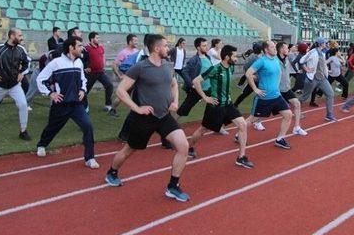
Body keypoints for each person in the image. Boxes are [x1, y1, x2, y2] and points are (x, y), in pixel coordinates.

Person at [105, 34, 191, 202]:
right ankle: (112, 172)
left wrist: (175, 101)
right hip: (144, 118)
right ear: (156, 48)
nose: (168, 49)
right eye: (166, 46)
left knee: (183, 146)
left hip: (164, 116)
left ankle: (173, 186)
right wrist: (137, 108)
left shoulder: (168, 65)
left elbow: (174, 84)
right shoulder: (140, 67)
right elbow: (121, 90)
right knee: (129, 149)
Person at [187, 45, 254, 168]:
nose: (236, 58)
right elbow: (196, 81)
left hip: (228, 105)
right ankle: (189, 147)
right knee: (203, 130)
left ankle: (241, 157)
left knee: (243, 125)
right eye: (234, 56)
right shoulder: (215, 69)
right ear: (227, 57)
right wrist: (205, 97)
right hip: (215, 106)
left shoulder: (230, 68)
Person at [35, 36, 98, 168]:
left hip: (76, 104)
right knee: (52, 128)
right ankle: (42, 145)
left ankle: (90, 158)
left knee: (88, 126)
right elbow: (41, 79)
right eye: (79, 46)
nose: (82, 48)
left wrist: (82, 90)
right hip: (61, 104)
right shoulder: (56, 63)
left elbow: (83, 80)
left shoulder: (79, 62)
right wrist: (50, 93)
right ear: (71, 47)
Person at [245, 40, 294, 150]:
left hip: (276, 96)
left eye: (275, 47)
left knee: (288, 114)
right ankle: (239, 135)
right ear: (266, 49)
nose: (275, 49)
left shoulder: (276, 59)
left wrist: (276, 86)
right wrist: (255, 89)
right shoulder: (261, 61)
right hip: (264, 97)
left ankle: (280, 139)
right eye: (272, 47)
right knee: (252, 119)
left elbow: (278, 74)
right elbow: (248, 73)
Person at [299, 38, 337, 122]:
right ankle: (295, 109)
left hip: (322, 78)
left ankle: (329, 115)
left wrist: (327, 71)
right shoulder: (312, 52)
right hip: (312, 79)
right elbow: (301, 61)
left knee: (330, 94)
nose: (326, 44)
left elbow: (322, 65)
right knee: (304, 97)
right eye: (325, 43)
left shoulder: (323, 53)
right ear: (320, 44)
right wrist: (307, 69)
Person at [277, 41, 308, 136]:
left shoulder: (287, 57)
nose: (288, 49)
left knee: (297, 104)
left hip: (286, 88)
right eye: (286, 48)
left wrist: (298, 70)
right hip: (276, 90)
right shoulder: (274, 60)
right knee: (262, 112)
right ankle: (252, 123)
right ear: (281, 49)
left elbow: (297, 58)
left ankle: (297, 127)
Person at [85, 32, 114, 111]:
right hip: (90, 74)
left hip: (100, 72)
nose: (99, 39)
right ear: (92, 39)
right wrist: (85, 68)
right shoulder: (86, 48)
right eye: (97, 38)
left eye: (99, 38)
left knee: (109, 85)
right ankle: (78, 105)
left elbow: (103, 56)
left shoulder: (100, 47)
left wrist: (103, 64)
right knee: (84, 90)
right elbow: (81, 60)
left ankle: (108, 105)